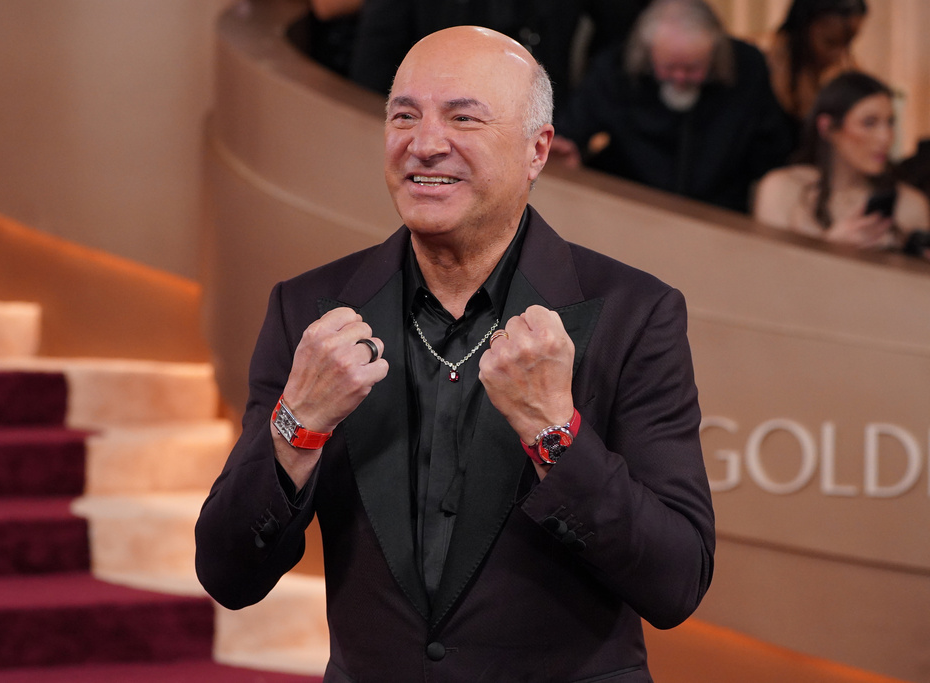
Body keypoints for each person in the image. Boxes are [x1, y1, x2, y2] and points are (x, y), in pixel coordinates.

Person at [196, 26, 715, 681]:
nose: (425, 142)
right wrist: (296, 430)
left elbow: (676, 581)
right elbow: (226, 572)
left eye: (463, 118)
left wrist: (557, 433)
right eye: (403, 115)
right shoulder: (311, 310)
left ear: (537, 150)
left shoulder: (634, 313)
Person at [552, 0, 793, 214]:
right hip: (631, 207)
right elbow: (572, 129)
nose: (679, 78)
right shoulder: (616, 69)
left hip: (719, 213)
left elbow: (772, 148)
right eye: (668, 67)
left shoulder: (747, 67)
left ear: (715, 56)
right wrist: (567, 150)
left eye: (692, 68)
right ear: (648, 54)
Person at [347, 0, 650, 109]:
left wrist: (576, 124)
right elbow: (376, 57)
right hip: (438, 114)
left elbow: (623, 36)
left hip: (535, 124)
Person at [753, 71, 930, 256]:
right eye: (869, 123)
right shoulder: (784, 190)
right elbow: (767, 274)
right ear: (827, 127)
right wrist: (830, 248)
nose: (885, 138)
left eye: (890, 123)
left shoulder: (909, 205)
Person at [761, 0, 867, 131]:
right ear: (804, 28)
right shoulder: (763, 66)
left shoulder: (844, 69)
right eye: (830, 42)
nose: (839, 55)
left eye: (847, 43)